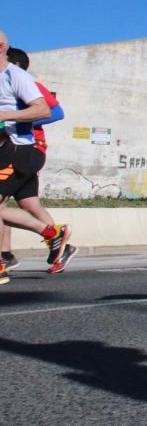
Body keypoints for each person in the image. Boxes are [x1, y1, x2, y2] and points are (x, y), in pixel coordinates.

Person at [0, 30, 73, 285]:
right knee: (28, 205)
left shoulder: (18, 77)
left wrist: (10, 117)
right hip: (12, 149)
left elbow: (52, 110)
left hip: (22, 149)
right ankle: (55, 238)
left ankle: (3, 260)